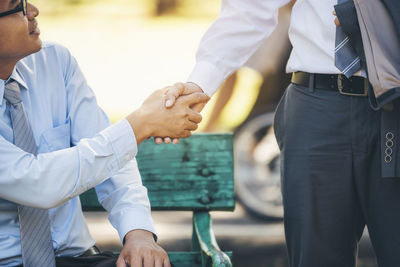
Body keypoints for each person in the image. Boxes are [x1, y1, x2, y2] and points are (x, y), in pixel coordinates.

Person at [162, 0, 400, 266]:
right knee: (316, 258)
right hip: (317, 104)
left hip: (395, 102)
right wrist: (200, 82)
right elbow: (250, 8)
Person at [0, 1, 209, 267]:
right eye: (16, 6)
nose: (33, 11)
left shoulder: (55, 62)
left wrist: (139, 233)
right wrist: (140, 124)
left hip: (75, 258)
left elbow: (111, 160)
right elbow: (38, 182)